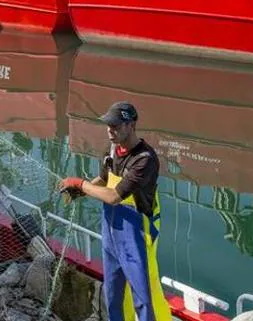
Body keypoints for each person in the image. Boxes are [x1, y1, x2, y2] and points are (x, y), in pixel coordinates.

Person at [59, 102, 172, 321]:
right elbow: (103, 180)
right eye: (108, 125)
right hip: (111, 234)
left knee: (143, 297)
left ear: (131, 125)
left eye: (116, 125)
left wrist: (80, 183)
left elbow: (113, 196)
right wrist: (79, 191)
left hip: (137, 234)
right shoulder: (111, 150)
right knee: (114, 295)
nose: (110, 130)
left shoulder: (144, 160)